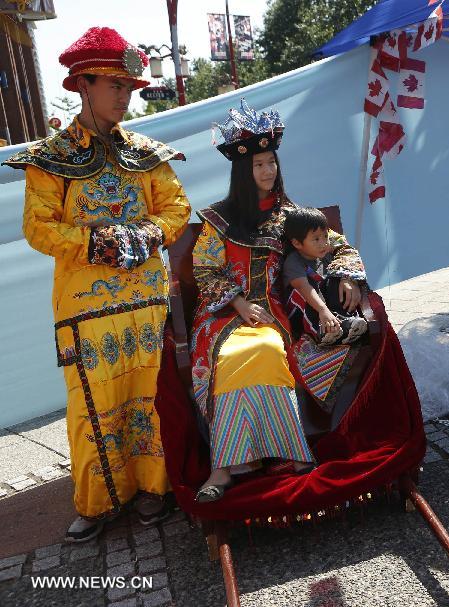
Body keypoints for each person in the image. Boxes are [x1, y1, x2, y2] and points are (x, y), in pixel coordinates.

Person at [3, 27, 191, 541]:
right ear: (82, 84)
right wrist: (100, 243)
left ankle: (156, 489)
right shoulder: (51, 157)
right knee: (92, 403)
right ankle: (100, 500)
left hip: (147, 299)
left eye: (129, 88)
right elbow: (38, 226)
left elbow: (176, 207)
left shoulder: (147, 153)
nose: (125, 97)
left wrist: (147, 233)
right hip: (87, 307)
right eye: (115, 85)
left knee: (150, 396)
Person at [191, 101, 320, 502]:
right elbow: (203, 270)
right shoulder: (219, 219)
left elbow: (334, 247)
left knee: (266, 347)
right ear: (243, 172)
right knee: (230, 356)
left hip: (273, 313)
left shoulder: (291, 216)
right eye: (259, 165)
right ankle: (225, 467)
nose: (268, 171)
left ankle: (290, 453)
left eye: (272, 163)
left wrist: (349, 276)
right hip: (222, 315)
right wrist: (239, 304)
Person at [282, 207, 368, 346]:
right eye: (316, 239)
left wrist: (347, 279)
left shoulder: (327, 255)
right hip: (307, 307)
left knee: (336, 276)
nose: (324, 243)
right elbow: (304, 288)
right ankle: (320, 331)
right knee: (308, 286)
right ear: (297, 243)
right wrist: (323, 310)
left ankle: (344, 322)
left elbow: (345, 257)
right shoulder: (293, 262)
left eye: (326, 236)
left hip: (327, 308)